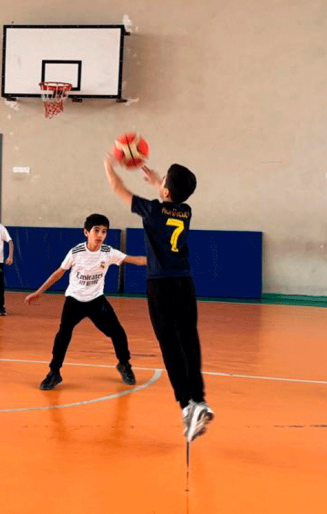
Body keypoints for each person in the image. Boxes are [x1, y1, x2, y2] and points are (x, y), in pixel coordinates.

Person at [104, 155, 213, 442]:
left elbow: (118, 188)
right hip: (185, 282)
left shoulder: (152, 210)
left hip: (161, 284)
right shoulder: (186, 211)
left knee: (169, 344)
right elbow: (171, 203)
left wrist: (108, 166)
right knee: (189, 341)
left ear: (165, 190)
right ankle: (199, 400)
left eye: (163, 180)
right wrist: (158, 183)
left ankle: (187, 407)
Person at [26, 213, 145, 391]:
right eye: (96, 230)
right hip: (74, 300)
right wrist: (39, 292)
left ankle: (124, 364)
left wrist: (159, 262)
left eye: (104, 231)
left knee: (117, 332)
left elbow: (137, 260)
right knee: (63, 334)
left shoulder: (108, 252)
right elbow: (59, 272)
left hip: (96, 300)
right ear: (86, 232)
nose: (100, 235)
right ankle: (54, 372)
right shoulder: (76, 252)